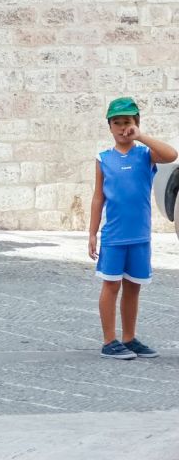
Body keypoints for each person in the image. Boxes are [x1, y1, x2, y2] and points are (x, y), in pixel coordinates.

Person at [88, 97, 177, 360]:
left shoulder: (145, 155)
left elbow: (172, 155)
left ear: (135, 124)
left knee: (133, 287)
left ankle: (129, 337)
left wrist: (142, 136)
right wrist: (92, 233)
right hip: (114, 236)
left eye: (127, 122)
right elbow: (97, 197)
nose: (122, 127)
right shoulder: (103, 159)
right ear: (110, 127)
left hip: (140, 236)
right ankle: (109, 341)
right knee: (111, 285)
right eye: (117, 123)